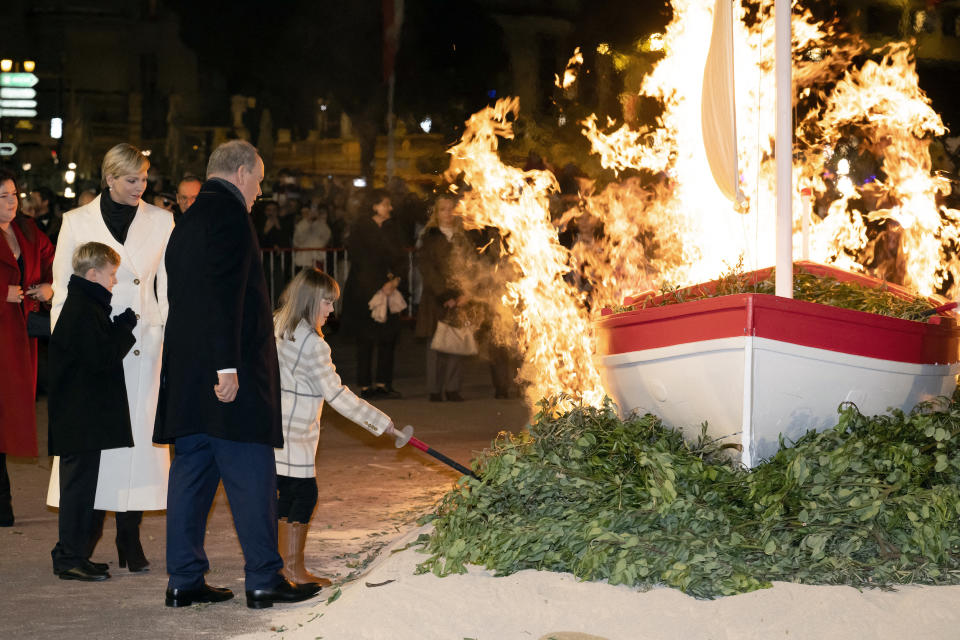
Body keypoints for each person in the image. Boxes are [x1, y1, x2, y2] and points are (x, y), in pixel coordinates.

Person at [155, 139, 321, 609]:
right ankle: (265, 578)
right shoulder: (229, 216)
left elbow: (184, 299)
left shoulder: (186, 222)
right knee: (251, 474)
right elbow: (223, 296)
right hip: (227, 378)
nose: (260, 191)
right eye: (260, 180)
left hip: (188, 376)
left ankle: (184, 579)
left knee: (191, 475)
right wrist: (226, 366)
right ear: (242, 171)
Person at [46, 143, 174, 573]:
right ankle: (81, 544)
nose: (141, 187)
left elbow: (167, 290)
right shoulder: (75, 221)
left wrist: (170, 340)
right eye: (131, 179)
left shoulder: (163, 220)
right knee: (91, 449)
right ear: (109, 179)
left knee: (137, 445)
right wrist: (68, 354)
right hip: (91, 345)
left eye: (144, 179)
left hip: (142, 343)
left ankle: (129, 537)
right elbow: (61, 293)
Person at [273, 268, 401, 585]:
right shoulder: (313, 344)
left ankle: (281, 565)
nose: (331, 310)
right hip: (296, 430)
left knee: (286, 497)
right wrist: (380, 422)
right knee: (303, 495)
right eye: (327, 303)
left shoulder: (278, 323)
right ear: (310, 301)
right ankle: (291, 569)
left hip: (276, 425)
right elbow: (337, 394)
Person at [49, 242, 138, 581]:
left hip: (79, 417)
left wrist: (116, 327)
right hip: (79, 419)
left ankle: (71, 554)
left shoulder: (85, 304)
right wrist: (124, 327)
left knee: (80, 489)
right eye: (112, 275)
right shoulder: (84, 308)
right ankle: (70, 558)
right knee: (77, 490)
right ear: (93, 274)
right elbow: (101, 359)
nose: (114, 282)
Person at [0, 169, 55, 527]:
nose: (11, 202)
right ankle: (2, 502)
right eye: (3, 196)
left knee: (9, 416)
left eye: (13, 194)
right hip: (4, 335)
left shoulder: (29, 231)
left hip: (20, 337)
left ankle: (3, 502)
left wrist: (48, 287)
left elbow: (54, 263)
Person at [341, 189, 407, 399]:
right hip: (364, 290)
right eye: (386, 204)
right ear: (374, 205)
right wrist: (380, 283)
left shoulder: (393, 228)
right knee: (366, 338)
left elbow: (400, 257)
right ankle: (365, 384)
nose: (390, 208)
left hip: (389, 289)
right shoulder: (361, 228)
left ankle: (383, 382)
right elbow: (360, 258)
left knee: (388, 337)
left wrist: (395, 279)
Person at [415, 194, 471, 402]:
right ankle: (435, 389)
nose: (448, 214)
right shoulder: (429, 237)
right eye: (443, 209)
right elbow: (427, 268)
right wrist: (444, 294)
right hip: (435, 298)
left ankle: (453, 387)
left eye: (451, 209)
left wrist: (466, 292)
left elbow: (470, 266)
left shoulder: (462, 236)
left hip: (459, 298)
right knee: (435, 345)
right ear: (437, 213)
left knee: (456, 343)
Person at [292, 203, 332, 272]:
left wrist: (317, 220)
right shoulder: (300, 225)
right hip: (303, 261)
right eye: (304, 213)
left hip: (317, 260)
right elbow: (297, 241)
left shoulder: (322, 225)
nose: (307, 214)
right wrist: (307, 222)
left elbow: (326, 237)